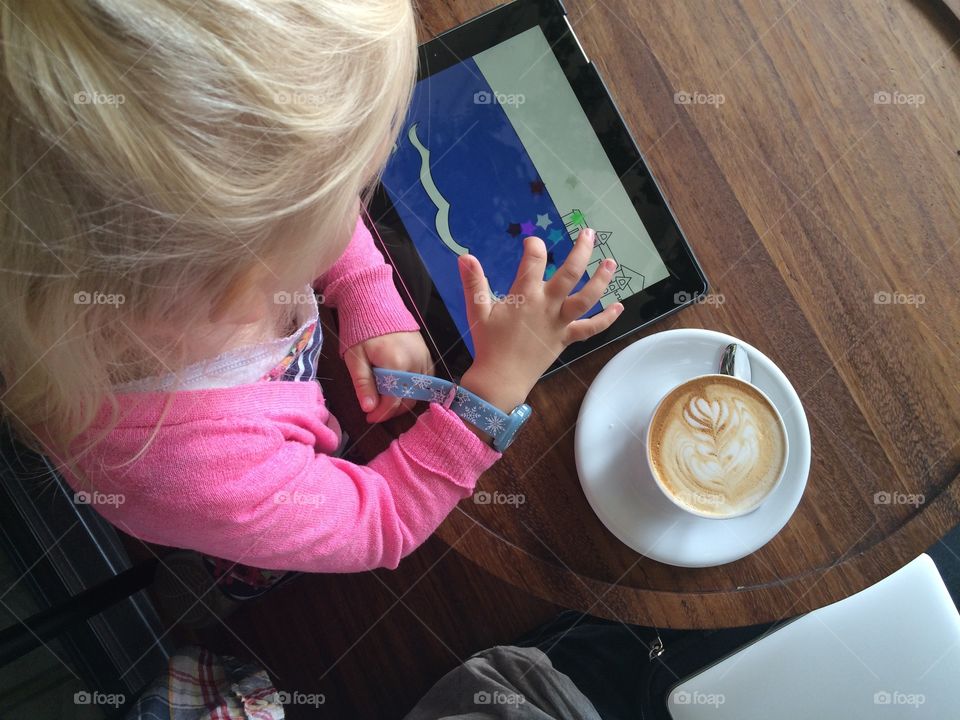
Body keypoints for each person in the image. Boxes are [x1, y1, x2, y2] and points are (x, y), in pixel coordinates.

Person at [0, 0, 623, 599]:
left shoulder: (173, 256)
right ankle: (247, 579)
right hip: (264, 510)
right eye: (353, 184)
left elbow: (283, 194)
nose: (360, 197)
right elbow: (379, 522)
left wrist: (364, 286)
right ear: (245, 274)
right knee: (259, 563)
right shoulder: (196, 475)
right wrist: (493, 390)